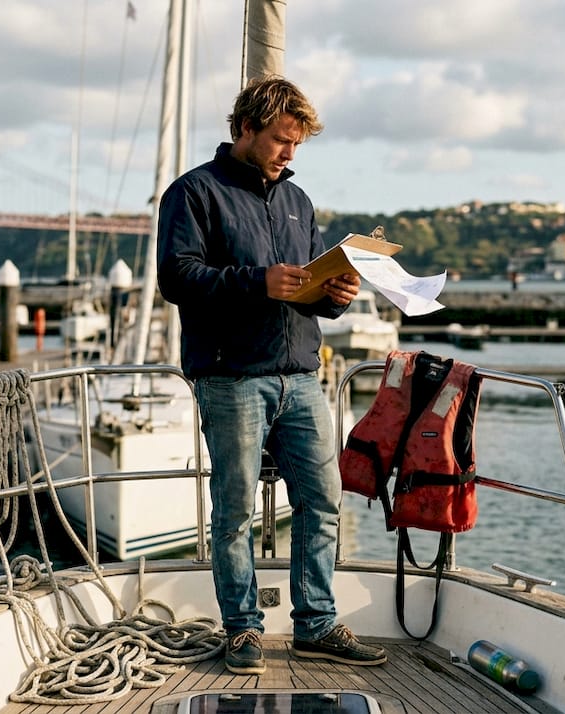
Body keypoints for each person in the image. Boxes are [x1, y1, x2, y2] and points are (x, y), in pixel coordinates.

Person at [157, 76, 387, 675]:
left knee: (324, 501)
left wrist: (335, 294)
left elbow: (305, 292)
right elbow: (177, 279)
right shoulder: (193, 193)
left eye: (298, 144)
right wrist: (257, 281)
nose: (290, 153)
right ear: (244, 130)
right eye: (282, 140)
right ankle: (241, 631)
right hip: (230, 377)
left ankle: (316, 625)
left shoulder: (298, 201)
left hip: (302, 377)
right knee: (233, 510)